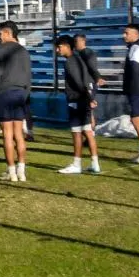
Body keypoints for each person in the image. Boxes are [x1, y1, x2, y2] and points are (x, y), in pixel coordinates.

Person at [0, 20, 32, 182]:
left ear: (7, 33)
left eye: (0, 33)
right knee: (19, 134)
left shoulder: (1, 50)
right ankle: (22, 171)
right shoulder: (24, 51)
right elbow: (28, 75)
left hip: (5, 93)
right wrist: (25, 94)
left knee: (7, 134)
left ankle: (11, 171)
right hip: (20, 93)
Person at [55, 35, 101, 175]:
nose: (57, 50)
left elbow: (79, 82)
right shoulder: (78, 59)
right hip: (83, 99)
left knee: (76, 133)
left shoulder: (70, 62)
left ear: (67, 47)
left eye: (59, 47)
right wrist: (89, 98)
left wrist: (89, 98)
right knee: (88, 132)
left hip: (77, 101)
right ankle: (95, 164)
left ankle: (76, 164)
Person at [121, 24, 139, 164]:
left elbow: (136, 70)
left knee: (136, 119)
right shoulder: (136, 47)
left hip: (137, 89)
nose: (124, 35)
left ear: (136, 34)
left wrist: (131, 88)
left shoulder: (136, 48)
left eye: (127, 33)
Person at [74, 33, 104, 132]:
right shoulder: (79, 54)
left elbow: (92, 67)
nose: (75, 43)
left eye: (77, 41)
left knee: (88, 108)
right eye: (74, 41)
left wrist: (97, 78)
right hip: (84, 84)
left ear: (83, 41)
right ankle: (89, 132)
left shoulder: (86, 53)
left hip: (89, 83)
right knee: (86, 109)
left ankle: (91, 133)